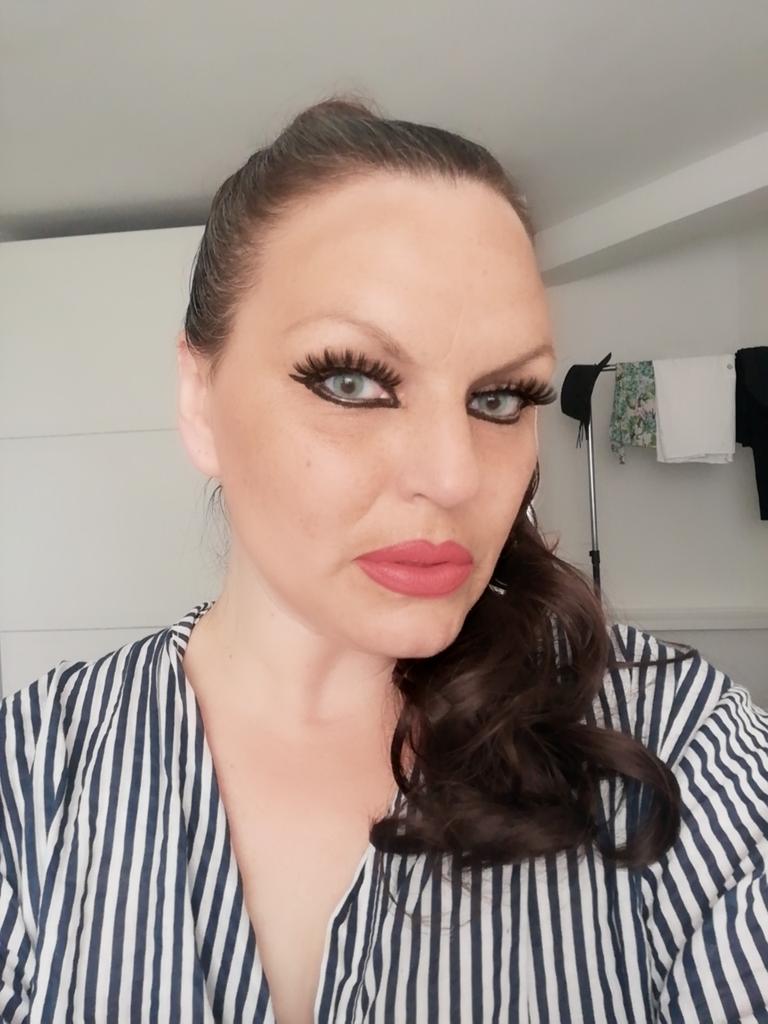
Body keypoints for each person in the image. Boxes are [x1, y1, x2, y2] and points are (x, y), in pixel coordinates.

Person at [1, 96, 766, 1024]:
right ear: (200, 399)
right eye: (352, 380)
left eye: (500, 398)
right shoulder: (31, 773)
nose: (454, 478)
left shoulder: (673, 744)